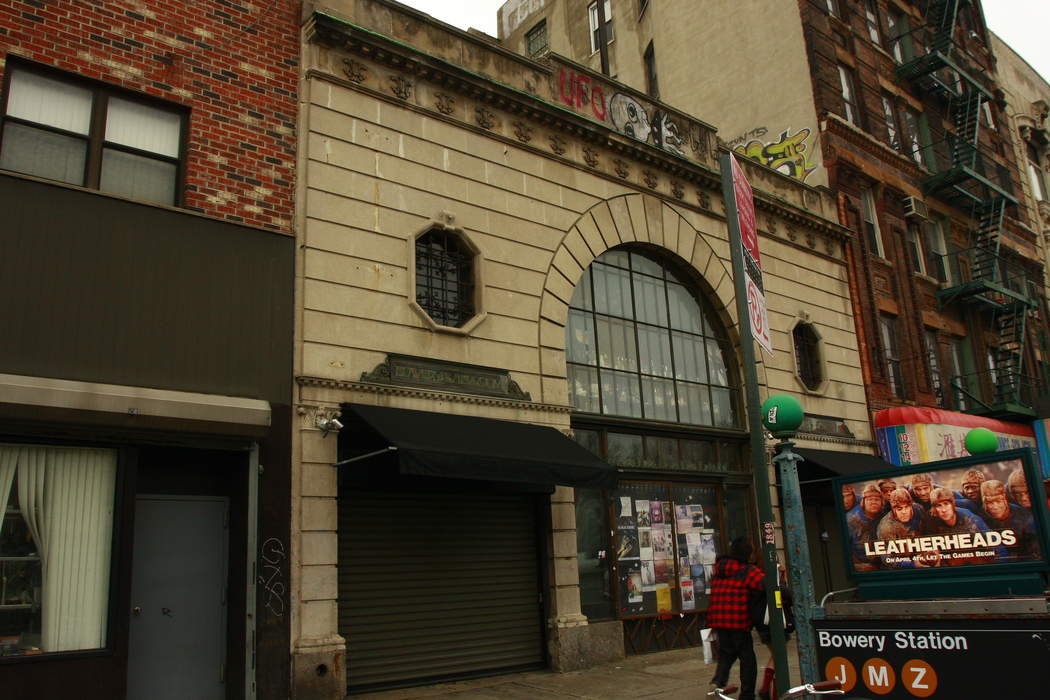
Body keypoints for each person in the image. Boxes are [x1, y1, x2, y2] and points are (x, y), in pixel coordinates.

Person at [707, 537, 765, 700]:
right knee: (748, 660)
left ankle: (717, 682)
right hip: (739, 621)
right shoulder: (747, 570)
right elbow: (766, 584)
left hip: (719, 620)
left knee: (726, 653)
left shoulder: (719, 569)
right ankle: (747, 694)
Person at [755, 564, 794, 700]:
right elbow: (787, 593)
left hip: (762, 624)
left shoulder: (756, 579)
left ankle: (768, 689)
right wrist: (783, 577)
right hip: (774, 622)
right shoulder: (769, 580)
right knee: (779, 656)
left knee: (776, 655)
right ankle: (769, 690)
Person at [979, 480, 1038, 560]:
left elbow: (1036, 553)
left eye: (998, 501)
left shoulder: (1024, 518)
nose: (995, 507)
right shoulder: (979, 516)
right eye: (990, 503)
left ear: (1005, 499)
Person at [846, 484, 884, 571]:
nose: (873, 502)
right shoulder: (850, 520)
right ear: (863, 501)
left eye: (877, 499)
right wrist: (857, 566)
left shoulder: (884, 515)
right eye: (870, 499)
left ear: (882, 502)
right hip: (861, 564)